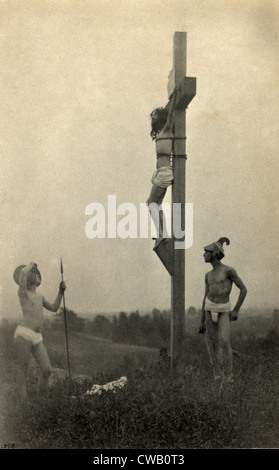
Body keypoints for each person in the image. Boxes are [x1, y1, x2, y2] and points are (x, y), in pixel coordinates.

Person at [13, 261, 66, 403]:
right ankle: (24, 404)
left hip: (37, 336)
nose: (37, 274)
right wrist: (31, 265)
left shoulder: (40, 296)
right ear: (29, 277)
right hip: (24, 334)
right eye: (35, 273)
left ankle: (42, 399)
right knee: (23, 368)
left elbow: (55, 308)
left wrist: (60, 292)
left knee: (47, 370)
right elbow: (22, 273)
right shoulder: (23, 292)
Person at [199, 237, 247, 382]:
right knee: (214, 344)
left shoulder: (228, 271)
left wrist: (236, 309)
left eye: (206, 252)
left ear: (213, 253)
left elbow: (243, 289)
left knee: (225, 341)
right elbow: (205, 296)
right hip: (209, 309)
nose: (203, 255)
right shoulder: (208, 275)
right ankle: (217, 375)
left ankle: (229, 376)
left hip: (224, 310)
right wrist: (201, 321)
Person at [146, 87, 178, 249]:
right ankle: (162, 234)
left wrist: (173, 99)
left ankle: (162, 234)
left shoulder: (166, 129)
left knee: (151, 202)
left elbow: (171, 115)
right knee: (155, 203)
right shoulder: (160, 133)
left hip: (165, 172)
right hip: (161, 172)